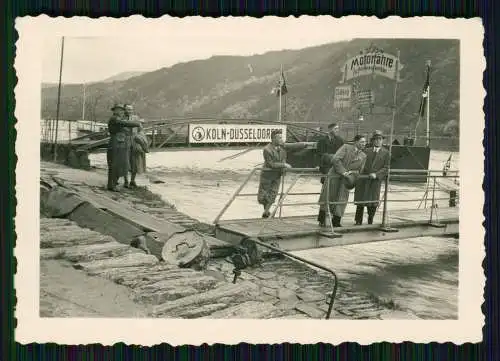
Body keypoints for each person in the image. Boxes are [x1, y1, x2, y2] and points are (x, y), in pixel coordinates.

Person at [317, 135, 367, 228]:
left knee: (342, 200)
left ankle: (336, 221)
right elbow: (335, 159)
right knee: (328, 197)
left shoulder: (363, 156)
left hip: (346, 180)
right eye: (362, 142)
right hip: (335, 176)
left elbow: (360, 170)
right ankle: (321, 219)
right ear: (356, 142)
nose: (364, 144)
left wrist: (352, 173)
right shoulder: (346, 147)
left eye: (364, 142)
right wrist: (343, 171)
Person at [354, 130, 390, 225]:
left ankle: (370, 220)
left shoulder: (386, 153)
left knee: (373, 202)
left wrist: (377, 174)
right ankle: (358, 221)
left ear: (382, 141)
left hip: (375, 181)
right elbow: (360, 163)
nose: (378, 141)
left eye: (380, 139)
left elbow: (386, 168)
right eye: (376, 139)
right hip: (363, 180)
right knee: (360, 202)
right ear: (372, 141)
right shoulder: (366, 151)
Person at [257, 130, 292, 218]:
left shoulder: (282, 149)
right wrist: (284, 165)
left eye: (281, 137)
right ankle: (266, 211)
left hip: (277, 175)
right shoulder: (267, 149)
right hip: (267, 175)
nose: (281, 139)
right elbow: (271, 164)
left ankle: (266, 212)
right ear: (273, 139)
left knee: (273, 193)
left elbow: (283, 159)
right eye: (279, 137)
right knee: (264, 195)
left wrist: (284, 168)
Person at [106, 104, 141, 191]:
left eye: (122, 110)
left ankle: (112, 184)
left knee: (116, 164)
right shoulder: (115, 118)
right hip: (115, 144)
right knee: (114, 165)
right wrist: (137, 123)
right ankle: (111, 185)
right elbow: (124, 123)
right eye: (120, 110)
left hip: (118, 144)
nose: (122, 112)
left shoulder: (117, 118)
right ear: (115, 111)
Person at [124, 104, 149, 188]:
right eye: (127, 109)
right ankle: (125, 181)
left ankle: (132, 180)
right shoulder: (122, 118)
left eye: (131, 109)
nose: (129, 111)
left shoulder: (136, 118)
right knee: (125, 161)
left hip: (134, 141)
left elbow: (141, 129)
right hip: (125, 140)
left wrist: (140, 137)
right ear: (124, 110)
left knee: (135, 161)